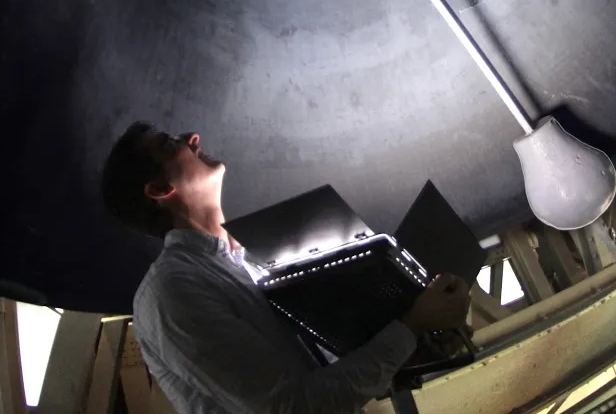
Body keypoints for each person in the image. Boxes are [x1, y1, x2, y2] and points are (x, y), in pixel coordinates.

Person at [100, 121, 471, 414]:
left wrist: (421, 335)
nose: (192, 138)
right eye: (170, 142)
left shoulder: (249, 265)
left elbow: (327, 381)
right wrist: (411, 327)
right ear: (161, 188)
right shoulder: (171, 291)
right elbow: (292, 407)